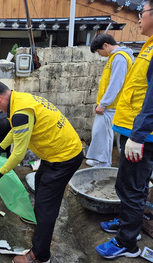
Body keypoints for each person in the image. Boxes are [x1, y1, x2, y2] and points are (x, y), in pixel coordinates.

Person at [0, 81, 83, 263]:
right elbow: (17, 130)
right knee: (40, 185)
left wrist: (1, 171)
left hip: (64, 158)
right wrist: (1, 146)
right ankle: (40, 227)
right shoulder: (20, 99)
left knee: (46, 206)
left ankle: (39, 256)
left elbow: (19, 153)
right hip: (56, 154)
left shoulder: (20, 112)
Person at [95, 1, 153, 259]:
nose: (138, 20)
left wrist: (138, 136)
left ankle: (127, 242)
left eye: (142, 13)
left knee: (133, 187)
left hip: (142, 134)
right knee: (126, 182)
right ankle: (128, 225)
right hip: (133, 127)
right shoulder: (148, 46)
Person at [85, 34, 134, 168]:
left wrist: (104, 104)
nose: (100, 54)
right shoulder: (114, 57)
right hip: (108, 104)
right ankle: (97, 158)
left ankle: (103, 163)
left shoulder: (119, 58)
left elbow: (115, 84)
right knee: (98, 132)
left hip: (111, 105)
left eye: (99, 51)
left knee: (103, 133)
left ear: (106, 45)